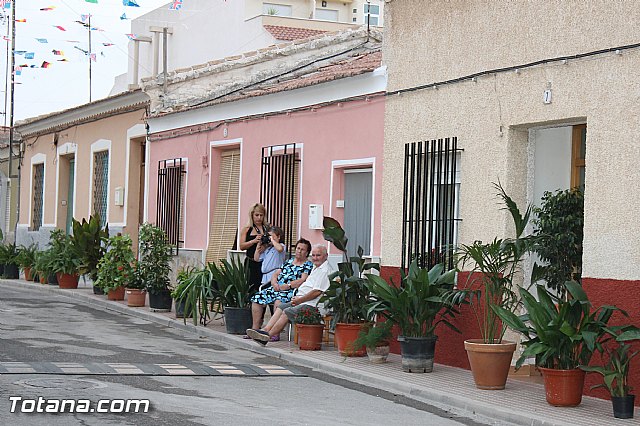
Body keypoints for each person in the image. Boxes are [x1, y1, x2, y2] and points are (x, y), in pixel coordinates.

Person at [246, 244, 332, 345]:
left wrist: (299, 299)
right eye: (313, 255)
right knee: (282, 306)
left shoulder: (324, 270)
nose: (315, 258)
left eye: (318, 255)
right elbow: (277, 273)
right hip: (302, 300)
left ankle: (266, 337)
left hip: (313, 304)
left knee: (287, 311)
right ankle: (265, 330)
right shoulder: (316, 267)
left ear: (326, 256)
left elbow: (316, 292)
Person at [248, 238, 313, 334]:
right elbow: (276, 273)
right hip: (277, 288)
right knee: (257, 298)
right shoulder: (289, 261)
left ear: (307, 252)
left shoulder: (307, 265)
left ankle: (274, 333)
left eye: (302, 249)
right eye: (298, 248)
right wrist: (274, 283)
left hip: (291, 291)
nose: (299, 251)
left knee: (279, 302)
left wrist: (288, 286)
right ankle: (255, 329)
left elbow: (303, 280)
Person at [239, 203, 269, 294]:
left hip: (264, 262)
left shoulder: (267, 228)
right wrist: (253, 241)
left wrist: (265, 246)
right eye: (257, 215)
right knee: (251, 288)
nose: (259, 218)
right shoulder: (247, 229)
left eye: (261, 215)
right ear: (252, 215)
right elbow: (241, 246)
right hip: (251, 262)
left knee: (264, 287)